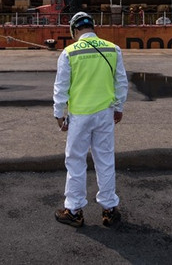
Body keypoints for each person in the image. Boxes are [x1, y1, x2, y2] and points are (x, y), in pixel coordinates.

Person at [53, 12, 128, 227]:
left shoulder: (69, 53)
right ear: (93, 27)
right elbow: (121, 82)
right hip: (105, 114)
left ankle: (74, 211)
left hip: (80, 117)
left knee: (76, 162)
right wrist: (118, 107)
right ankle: (109, 209)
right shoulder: (112, 49)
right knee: (105, 160)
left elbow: (61, 87)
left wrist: (59, 114)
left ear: (74, 31)